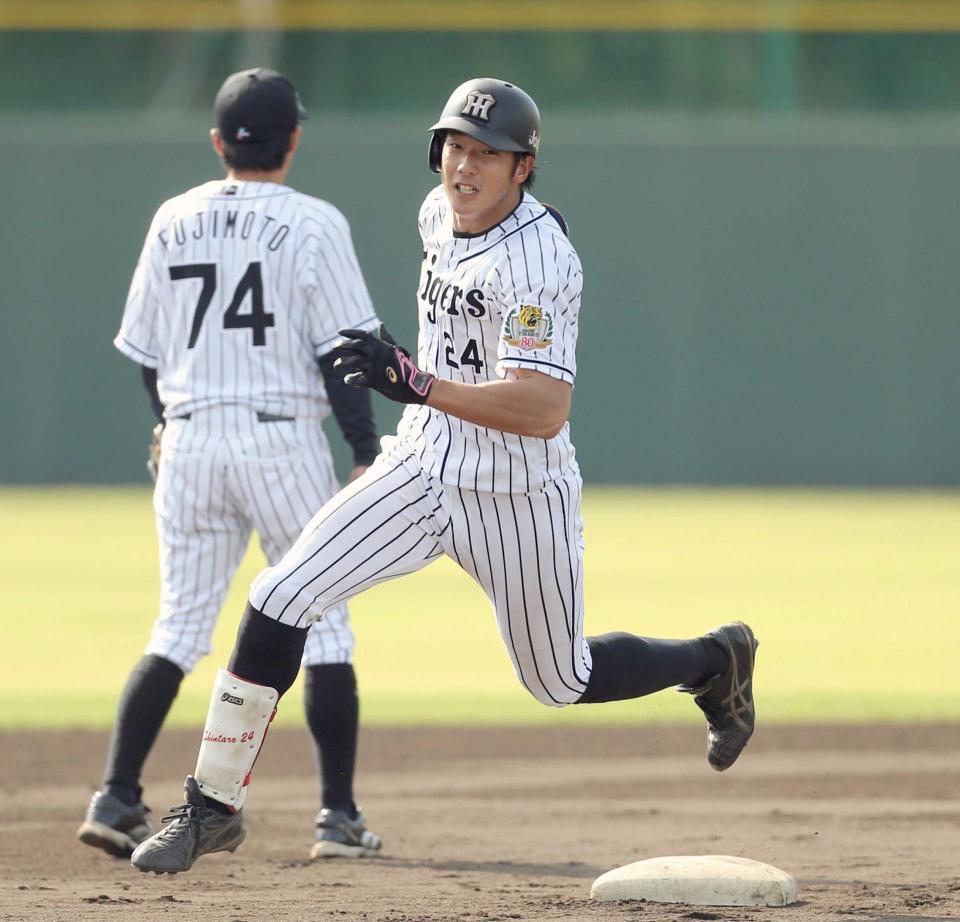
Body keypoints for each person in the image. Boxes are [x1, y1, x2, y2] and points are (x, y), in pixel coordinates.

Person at [130, 76, 758, 875]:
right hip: (424, 465)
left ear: (522, 168)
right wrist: (412, 379)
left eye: (487, 154)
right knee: (279, 596)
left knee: (560, 678)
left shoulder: (540, 262)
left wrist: (418, 381)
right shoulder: (437, 212)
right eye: (454, 146)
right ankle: (213, 805)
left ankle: (714, 660)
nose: (463, 167)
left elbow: (542, 407)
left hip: (515, 492)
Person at [77, 68, 383, 862]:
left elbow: (146, 356)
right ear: (294, 141)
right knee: (324, 624)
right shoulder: (315, 222)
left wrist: (178, 423)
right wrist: (365, 451)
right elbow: (345, 352)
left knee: (179, 626)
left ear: (219, 143)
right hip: (281, 440)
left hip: (187, 438)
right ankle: (339, 817)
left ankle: (116, 795)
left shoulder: (171, 217)